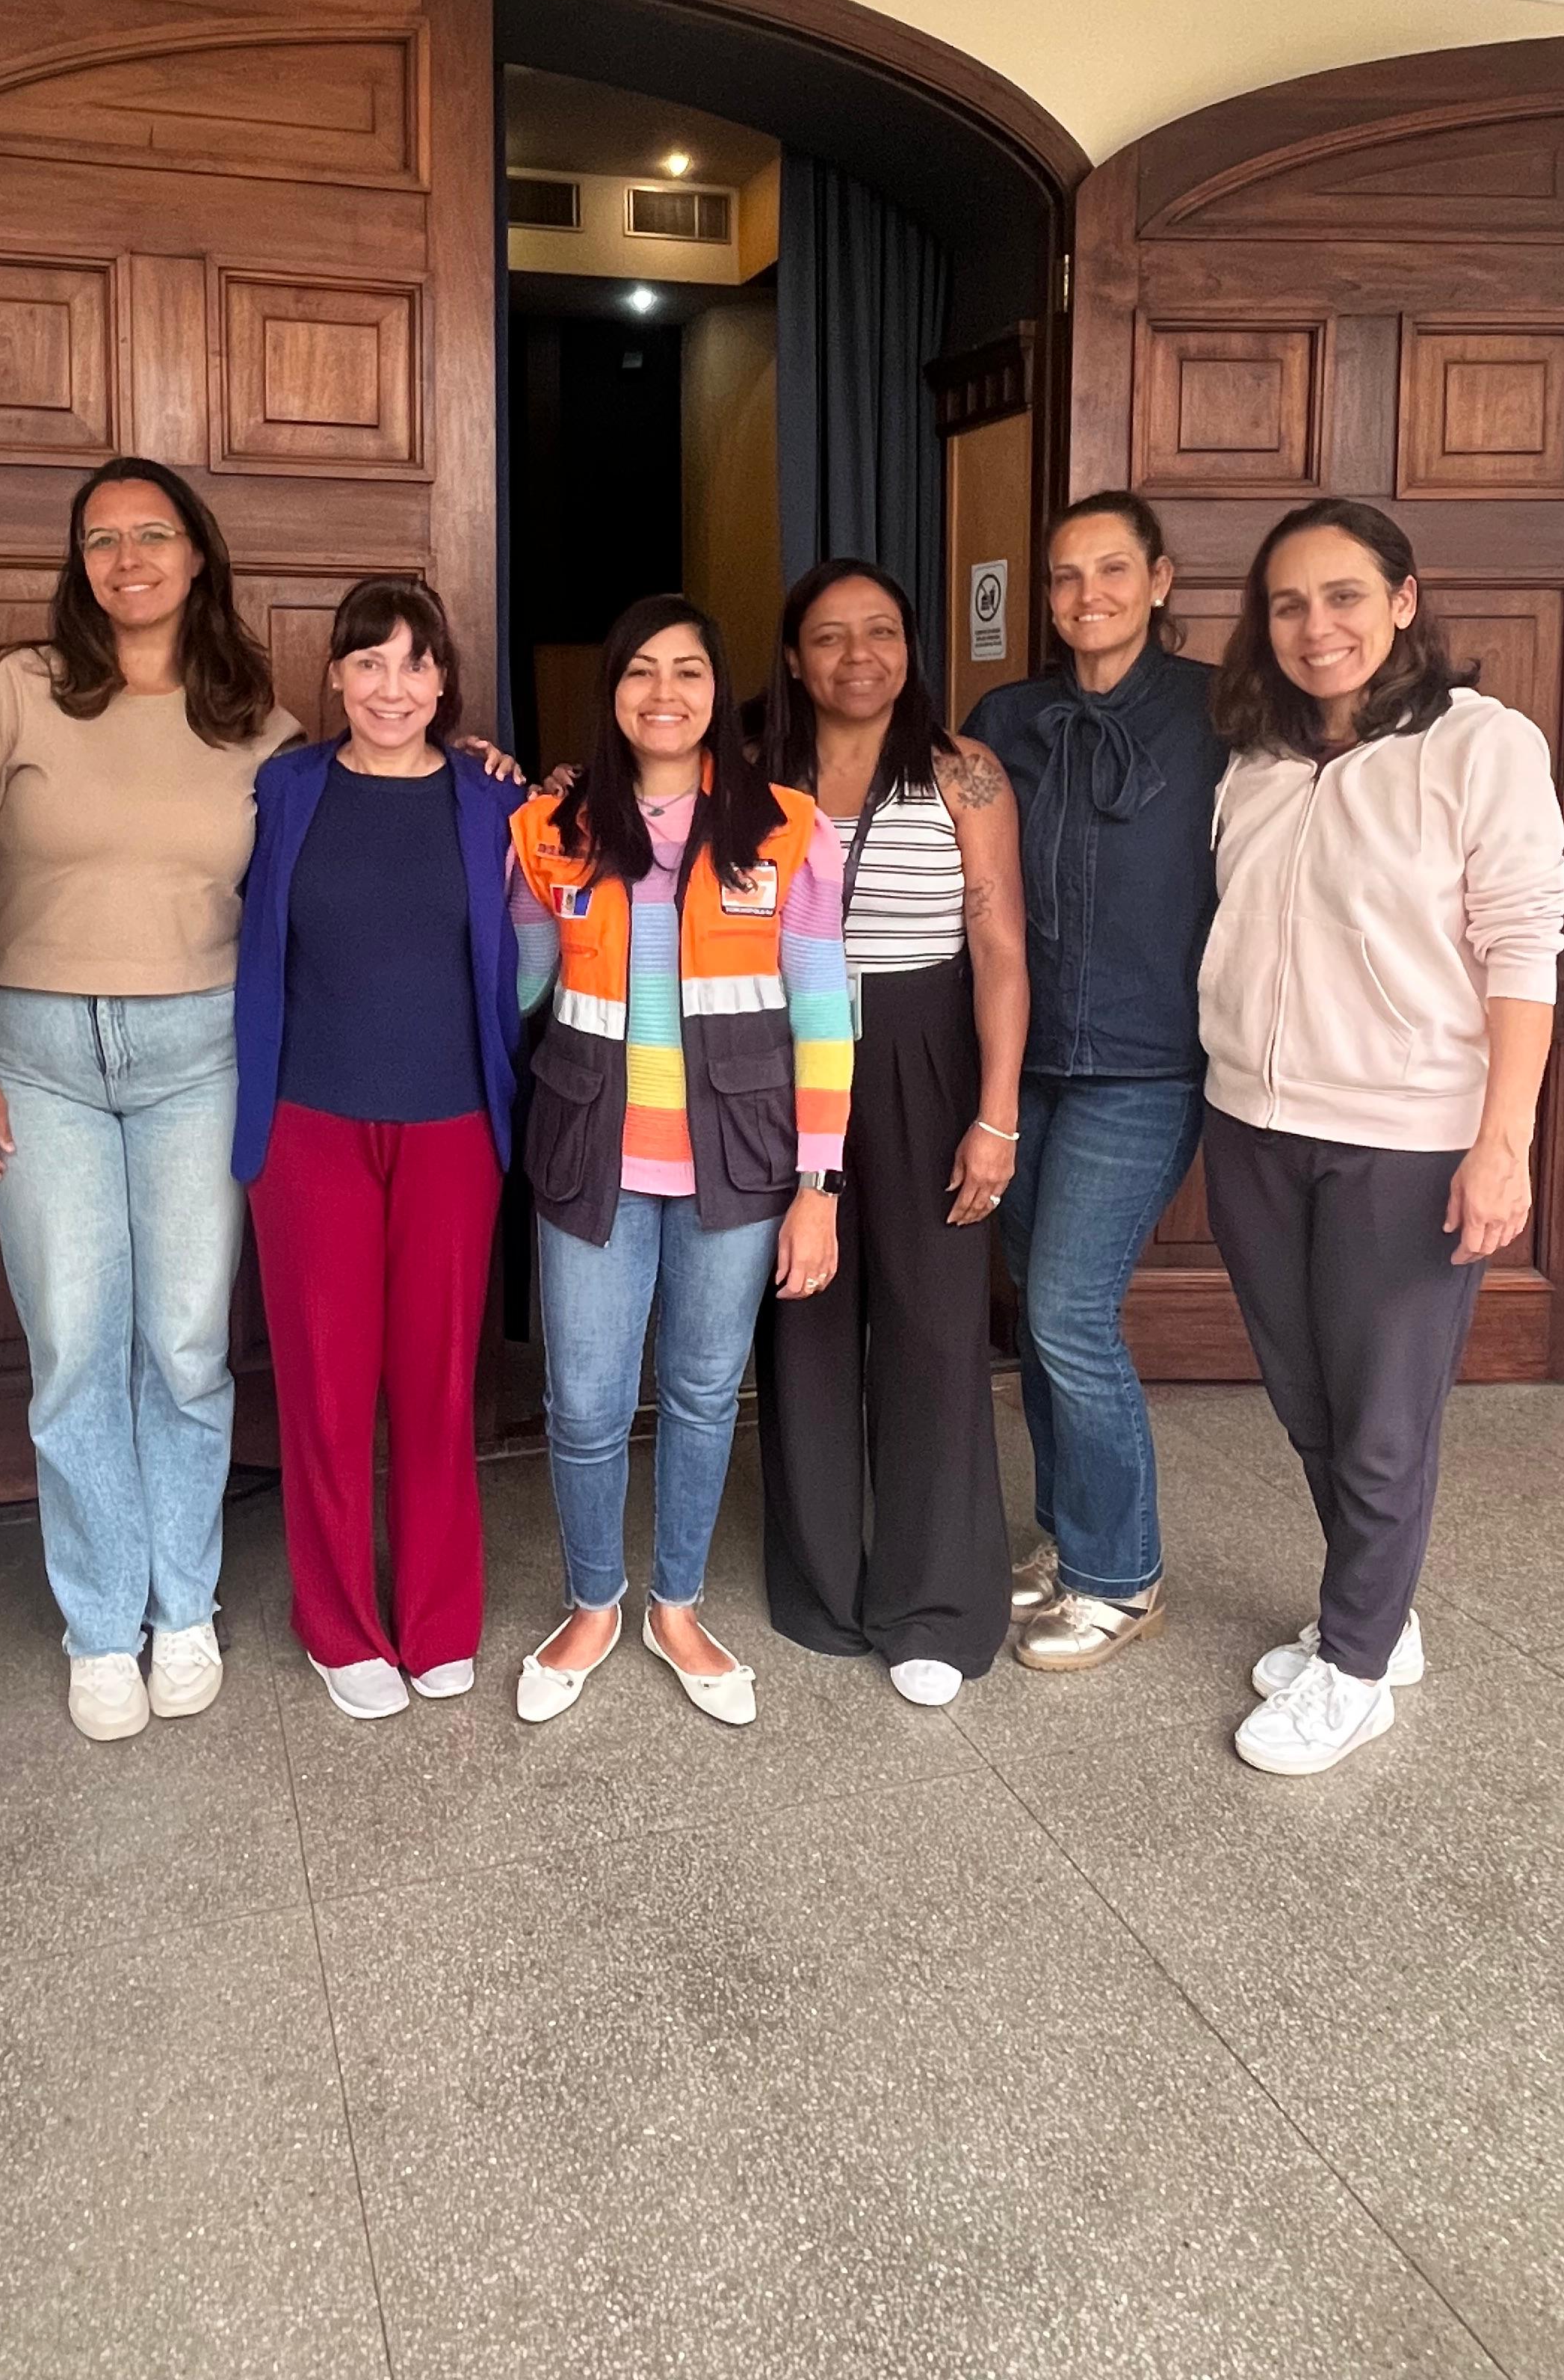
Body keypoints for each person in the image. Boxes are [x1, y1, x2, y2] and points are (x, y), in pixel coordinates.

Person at [0, 457, 300, 1742]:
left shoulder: (258, 723)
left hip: (202, 1054)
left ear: (198, 556)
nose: (129, 559)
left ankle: (184, 1603)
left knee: (188, 1342)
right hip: (31, 1053)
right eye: (102, 540)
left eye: (154, 535)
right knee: (76, 1344)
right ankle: (101, 1623)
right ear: (78, 564)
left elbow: (336, 858)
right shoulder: (15, 692)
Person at [1202, 499, 1564, 1777]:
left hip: (1405, 1141)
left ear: (1404, 602)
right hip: (1252, 1125)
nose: (1318, 627)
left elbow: (1523, 947)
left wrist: (1503, 1142)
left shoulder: (1480, 745)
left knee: (1383, 1420)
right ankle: (1378, 1613)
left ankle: (1355, 1669)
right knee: (1309, 1401)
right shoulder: (1254, 758)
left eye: (1346, 595)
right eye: (1289, 604)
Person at [508, 594, 853, 1730]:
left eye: (690, 671)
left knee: (705, 1396)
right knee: (585, 1402)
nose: (665, 693)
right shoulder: (550, 828)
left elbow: (824, 1014)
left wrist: (819, 1185)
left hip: (738, 1166)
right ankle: (593, 1602)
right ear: (610, 692)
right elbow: (518, 985)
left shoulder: (785, 827)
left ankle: (678, 1604)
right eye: (640, 670)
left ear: (720, 690)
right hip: (589, 1157)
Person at [235, 580, 526, 1719]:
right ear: (335, 677)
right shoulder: (286, 788)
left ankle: (439, 1617)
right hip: (309, 1127)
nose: (391, 688)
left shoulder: (493, 801)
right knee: (325, 1383)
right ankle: (339, 1624)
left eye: (415, 664)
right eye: (368, 663)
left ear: (445, 683)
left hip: (454, 1127)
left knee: (439, 1382)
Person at [755, 560, 1027, 1705]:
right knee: (804, 1318)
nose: (857, 656)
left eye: (881, 632)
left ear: (911, 648)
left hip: (925, 1055)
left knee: (935, 1327)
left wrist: (995, 1115)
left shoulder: (964, 772)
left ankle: (935, 1605)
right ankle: (820, 1585)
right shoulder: (752, 774)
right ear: (793, 657)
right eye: (829, 636)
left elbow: (1000, 948)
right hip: (783, 1064)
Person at [965, 493, 1226, 1671]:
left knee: (1071, 1312)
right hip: (1026, 1063)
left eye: (1113, 570)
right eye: (1066, 576)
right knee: (1039, 1306)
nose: (1088, 596)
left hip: (1147, 1064)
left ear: (1159, 581)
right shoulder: (1007, 719)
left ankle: (1121, 1576)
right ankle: (1068, 1537)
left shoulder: (1223, 711)